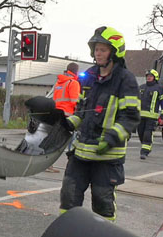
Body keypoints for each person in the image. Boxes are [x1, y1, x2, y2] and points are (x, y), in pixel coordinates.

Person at [59, 26, 140, 220]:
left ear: (114, 51)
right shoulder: (90, 76)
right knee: (68, 195)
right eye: (96, 49)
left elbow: (130, 117)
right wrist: (68, 123)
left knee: (102, 203)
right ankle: (66, 236)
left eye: (103, 49)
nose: (98, 53)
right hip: (81, 153)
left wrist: (111, 137)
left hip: (107, 157)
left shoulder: (125, 80)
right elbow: (81, 112)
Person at [137, 69, 163, 159]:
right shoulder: (141, 87)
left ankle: (144, 152)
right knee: (141, 133)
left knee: (147, 134)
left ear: (155, 78)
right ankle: (146, 146)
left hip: (152, 117)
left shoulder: (159, 88)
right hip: (140, 116)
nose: (148, 77)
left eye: (150, 76)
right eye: (147, 76)